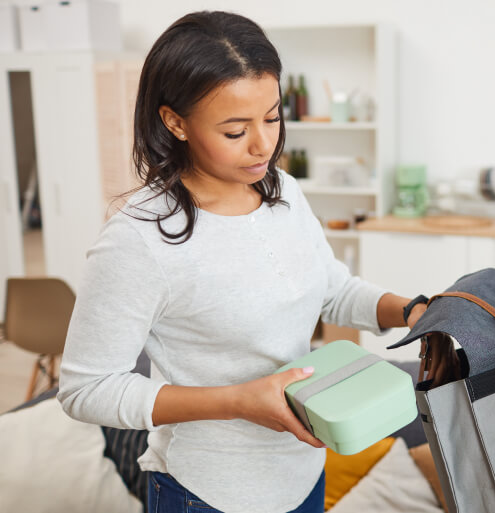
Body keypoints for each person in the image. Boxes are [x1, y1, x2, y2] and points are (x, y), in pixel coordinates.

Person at [57, 11, 426, 513]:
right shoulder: (138, 240)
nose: (263, 145)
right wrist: (237, 400)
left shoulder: (285, 194)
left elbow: (332, 290)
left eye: (273, 118)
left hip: (303, 474)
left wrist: (414, 311)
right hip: (209, 492)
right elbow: (86, 389)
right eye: (235, 131)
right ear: (175, 122)